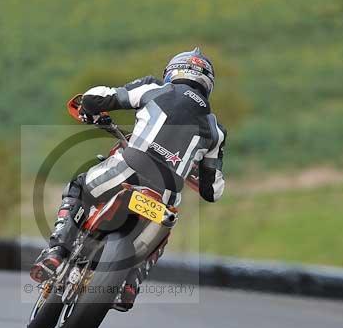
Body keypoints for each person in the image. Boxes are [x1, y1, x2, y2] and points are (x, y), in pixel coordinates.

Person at [30, 47, 226, 308]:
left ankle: (56, 253)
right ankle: (130, 285)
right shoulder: (216, 131)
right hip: (166, 193)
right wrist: (192, 170)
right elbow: (213, 190)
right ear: (208, 84)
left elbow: (100, 96)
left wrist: (90, 108)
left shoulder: (153, 88)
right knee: (161, 236)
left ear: (172, 72)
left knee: (77, 187)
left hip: (129, 166)